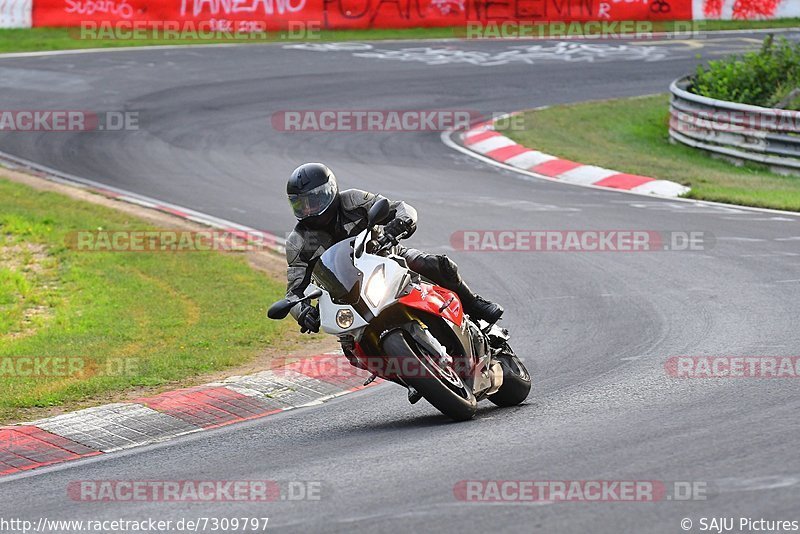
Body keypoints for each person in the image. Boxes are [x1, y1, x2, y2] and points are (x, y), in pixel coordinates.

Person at [284, 162, 504, 334]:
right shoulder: (298, 242)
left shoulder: (353, 200)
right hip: (345, 294)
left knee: (437, 265)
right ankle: (410, 374)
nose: (308, 209)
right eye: (300, 204)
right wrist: (302, 312)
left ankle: (474, 304)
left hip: (387, 257)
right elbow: (294, 291)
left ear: (329, 192)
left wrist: (400, 223)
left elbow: (400, 208)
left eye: (312, 201)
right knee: (350, 344)